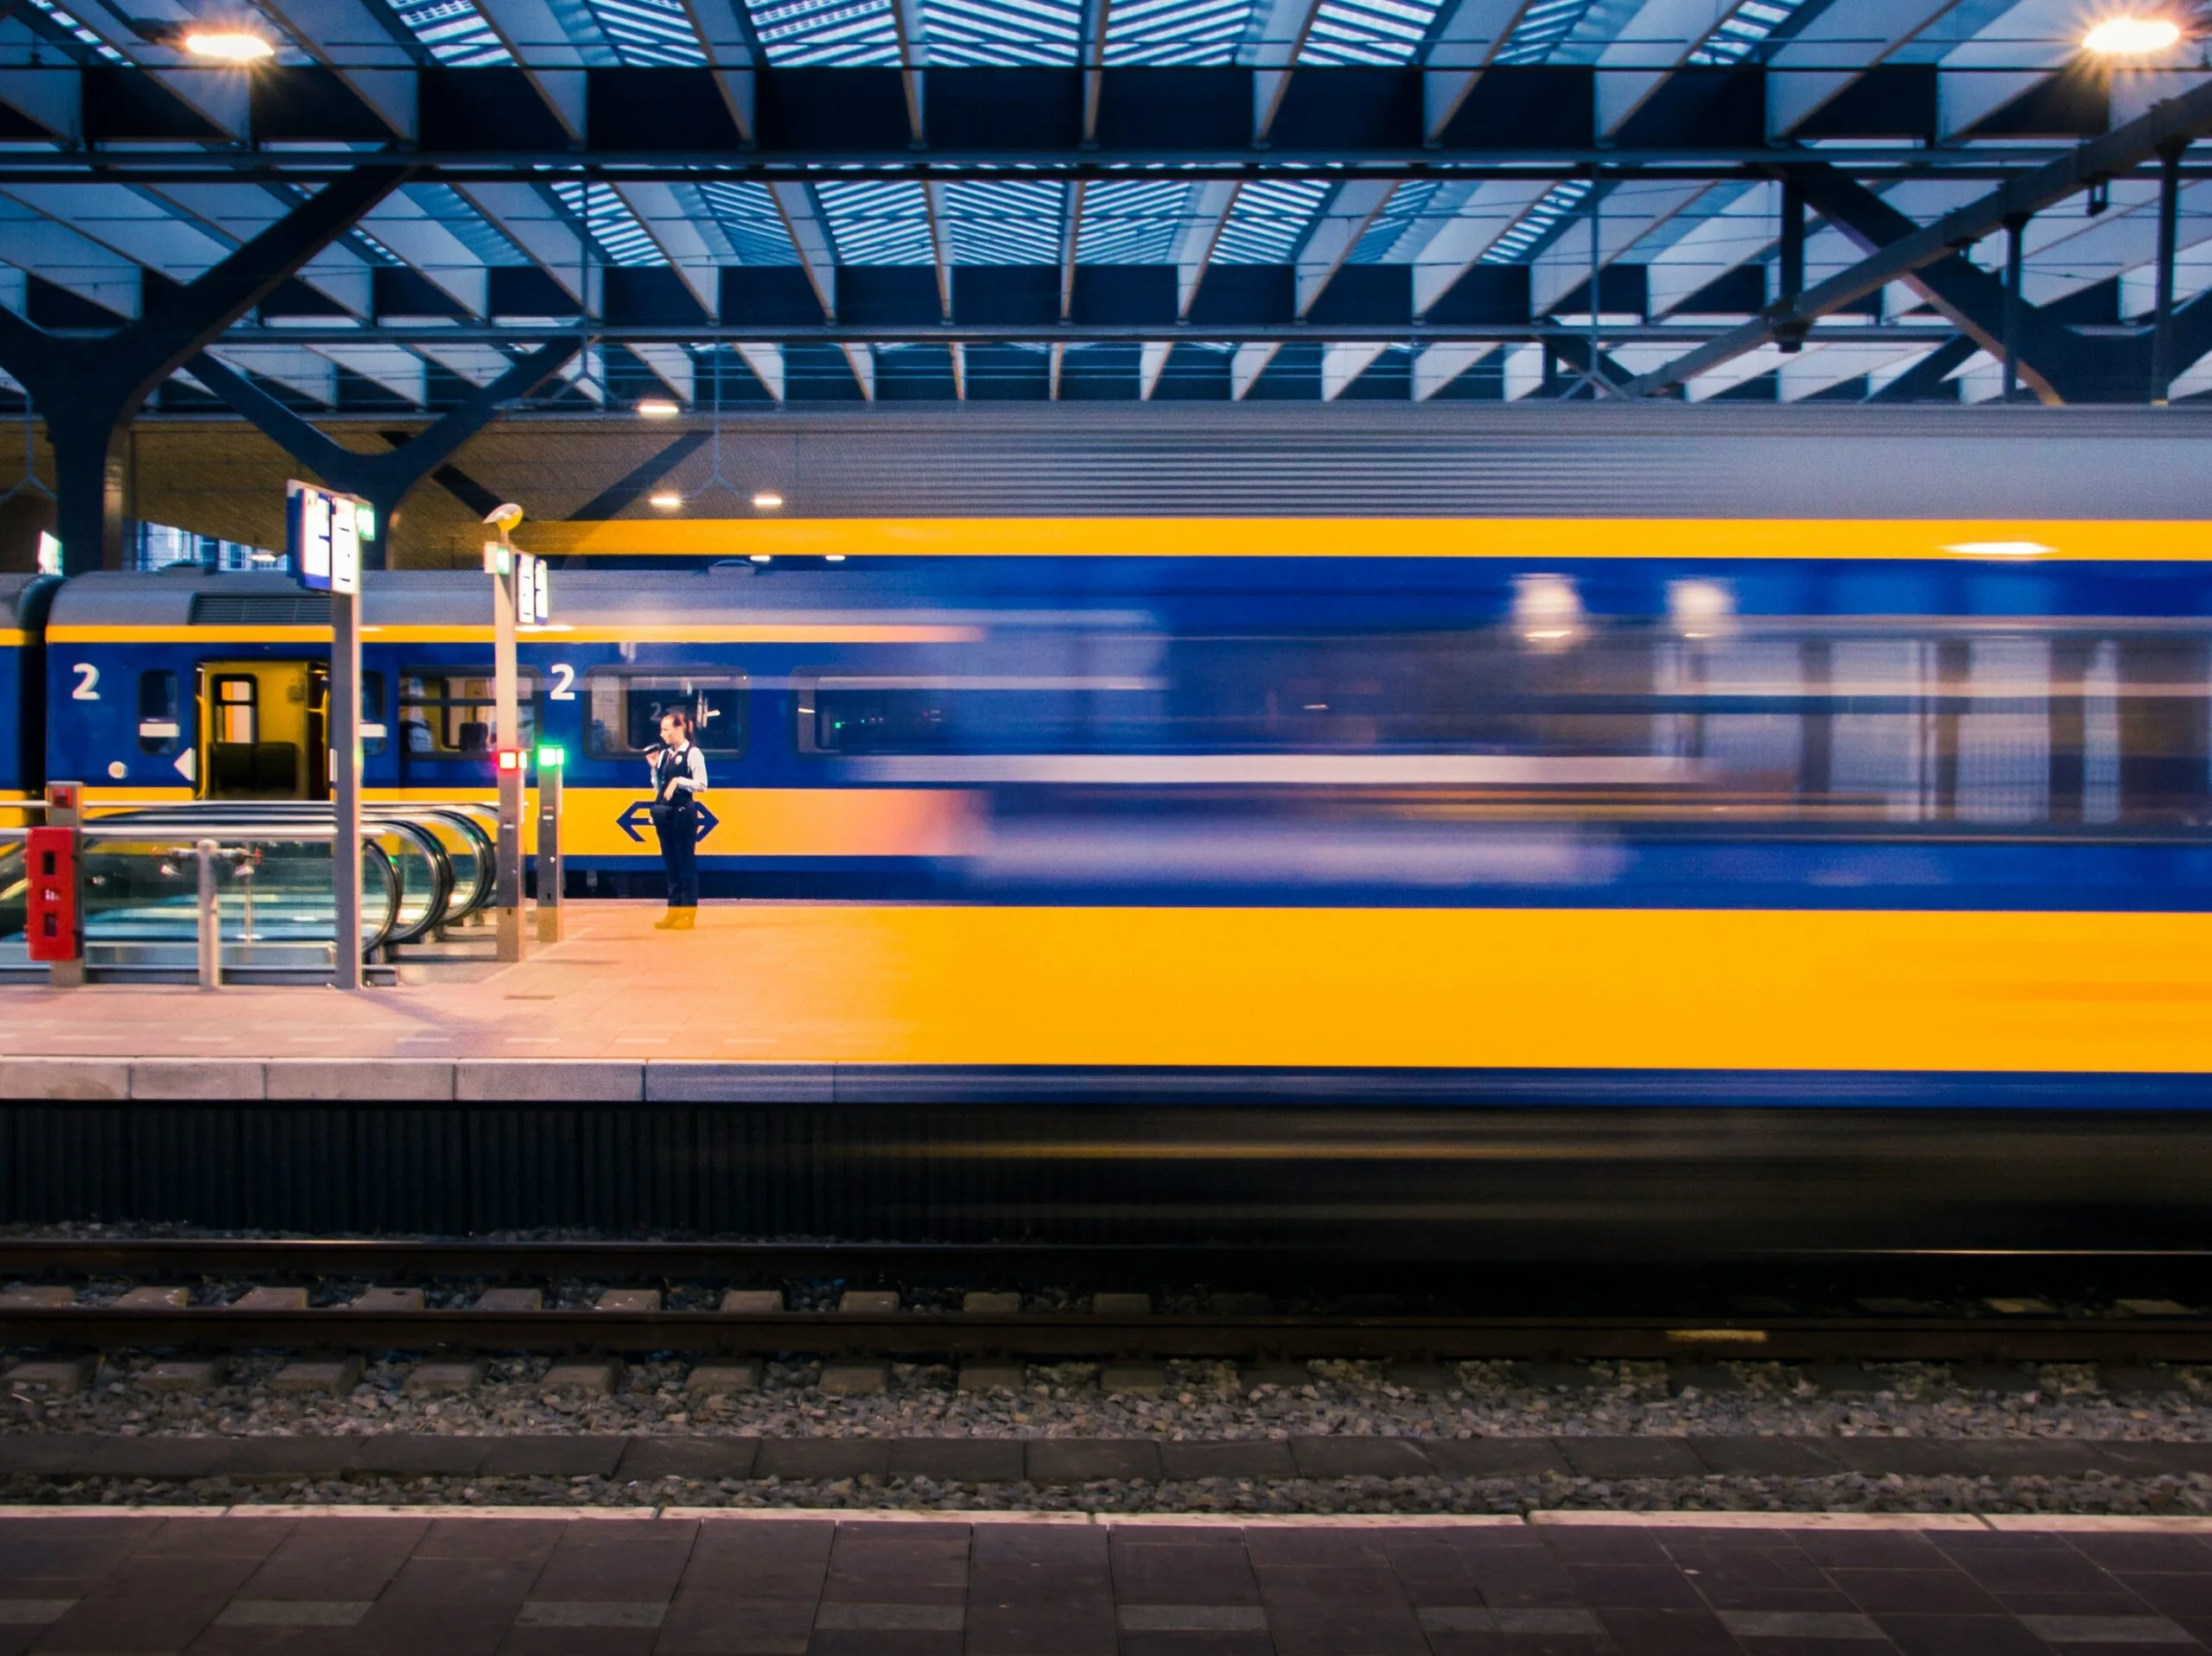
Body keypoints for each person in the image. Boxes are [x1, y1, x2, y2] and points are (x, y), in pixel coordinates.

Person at [647, 707, 707, 930]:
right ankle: (673, 912)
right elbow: (658, 787)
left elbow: (702, 785)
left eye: (666, 729)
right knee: (671, 864)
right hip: (666, 814)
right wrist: (655, 770)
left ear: (679, 728)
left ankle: (687, 914)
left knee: (685, 863)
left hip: (684, 813)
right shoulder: (664, 755)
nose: (662, 735)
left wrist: (678, 781)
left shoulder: (693, 753)